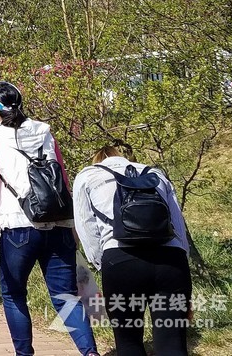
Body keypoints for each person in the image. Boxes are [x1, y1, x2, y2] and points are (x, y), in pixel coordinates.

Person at [0, 81, 100, 356]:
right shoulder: (44, 131)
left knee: (13, 294)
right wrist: (73, 223)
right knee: (66, 297)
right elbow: (62, 178)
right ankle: (90, 353)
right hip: (58, 223)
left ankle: (25, 354)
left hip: (18, 227)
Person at [73, 145, 191, 356]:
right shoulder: (154, 173)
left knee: (128, 343)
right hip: (171, 260)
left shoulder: (87, 175)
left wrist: (103, 263)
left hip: (121, 260)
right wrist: (182, 264)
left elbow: (86, 229)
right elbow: (178, 226)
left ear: (97, 160)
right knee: (172, 344)